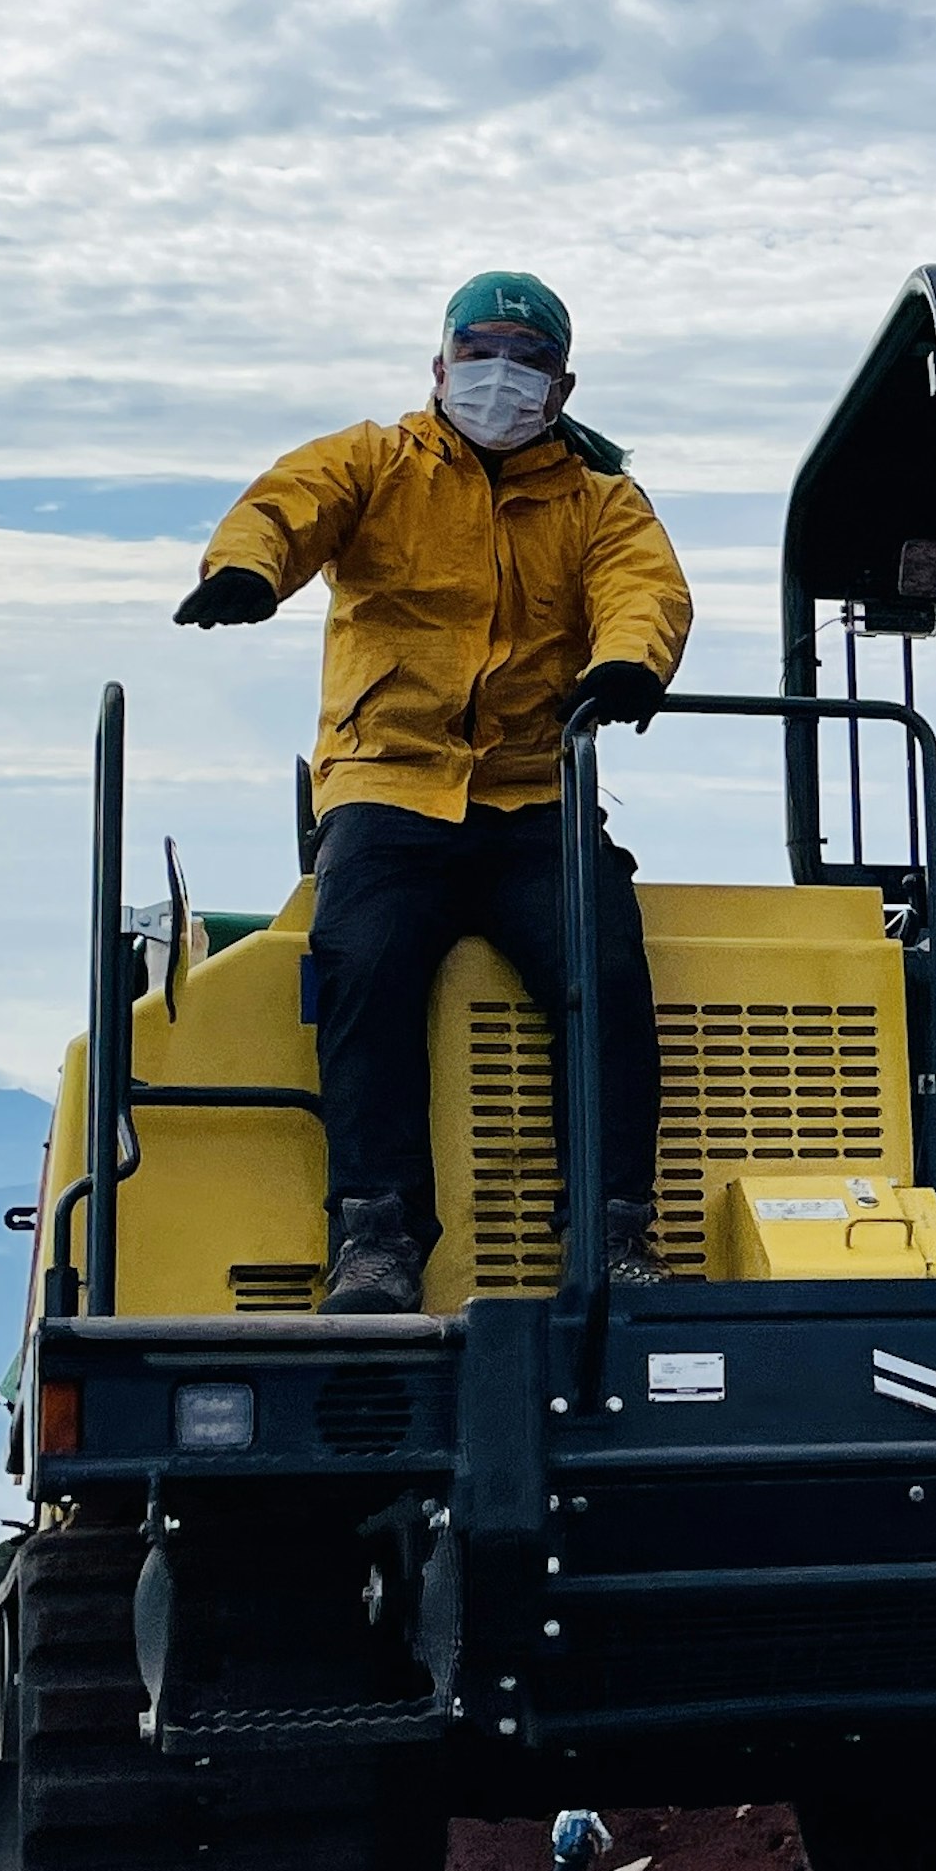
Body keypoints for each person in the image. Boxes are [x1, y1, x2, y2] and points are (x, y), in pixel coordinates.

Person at [177, 270, 692, 1311]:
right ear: (441, 364)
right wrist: (248, 568)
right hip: (388, 784)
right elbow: (289, 503)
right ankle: (376, 1239)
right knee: (364, 963)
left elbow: (644, 589)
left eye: (528, 359)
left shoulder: (601, 503)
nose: (501, 376)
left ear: (564, 383)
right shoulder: (376, 463)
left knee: (606, 962)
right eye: (482, 352)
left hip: (530, 795)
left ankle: (611, 1230)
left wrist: (631, 661)